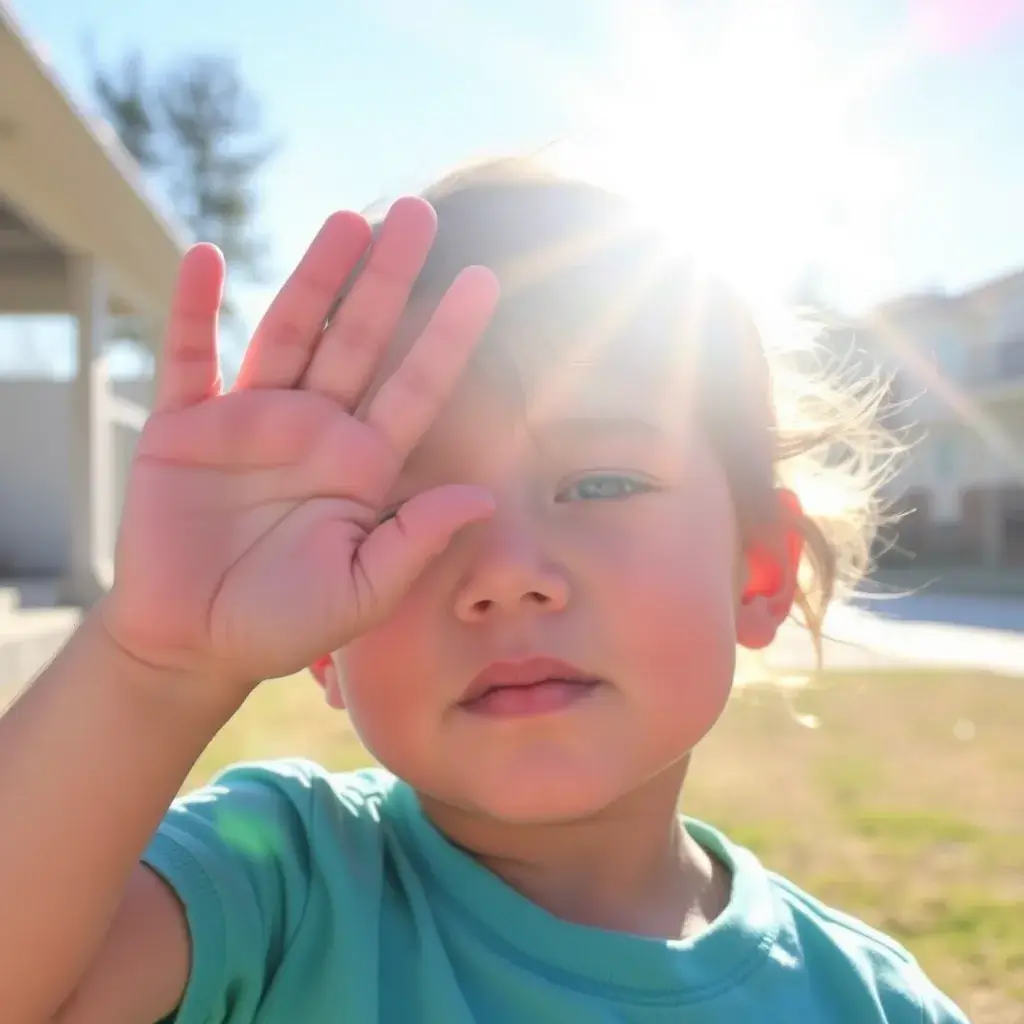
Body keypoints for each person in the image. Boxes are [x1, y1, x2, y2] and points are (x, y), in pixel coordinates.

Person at [0, 157, 968, 1023]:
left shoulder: (871, 1003)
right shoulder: (276, 887)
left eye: (601, 483)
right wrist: (155, 666)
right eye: (401, 517)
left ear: (756, 570)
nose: (504, 573)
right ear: (325, 643)